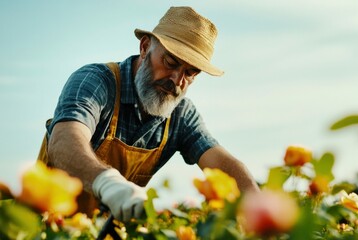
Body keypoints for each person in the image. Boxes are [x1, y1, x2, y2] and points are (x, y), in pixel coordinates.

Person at [38, 6, 259, 222]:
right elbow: (64, 140)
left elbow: (222, 163)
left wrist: (261, 212)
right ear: (145, 47)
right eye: (170, 62)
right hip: (47, 224)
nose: (177, 81)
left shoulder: (181, 114)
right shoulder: (96, 82)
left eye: (190, 73)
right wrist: (106, 182)